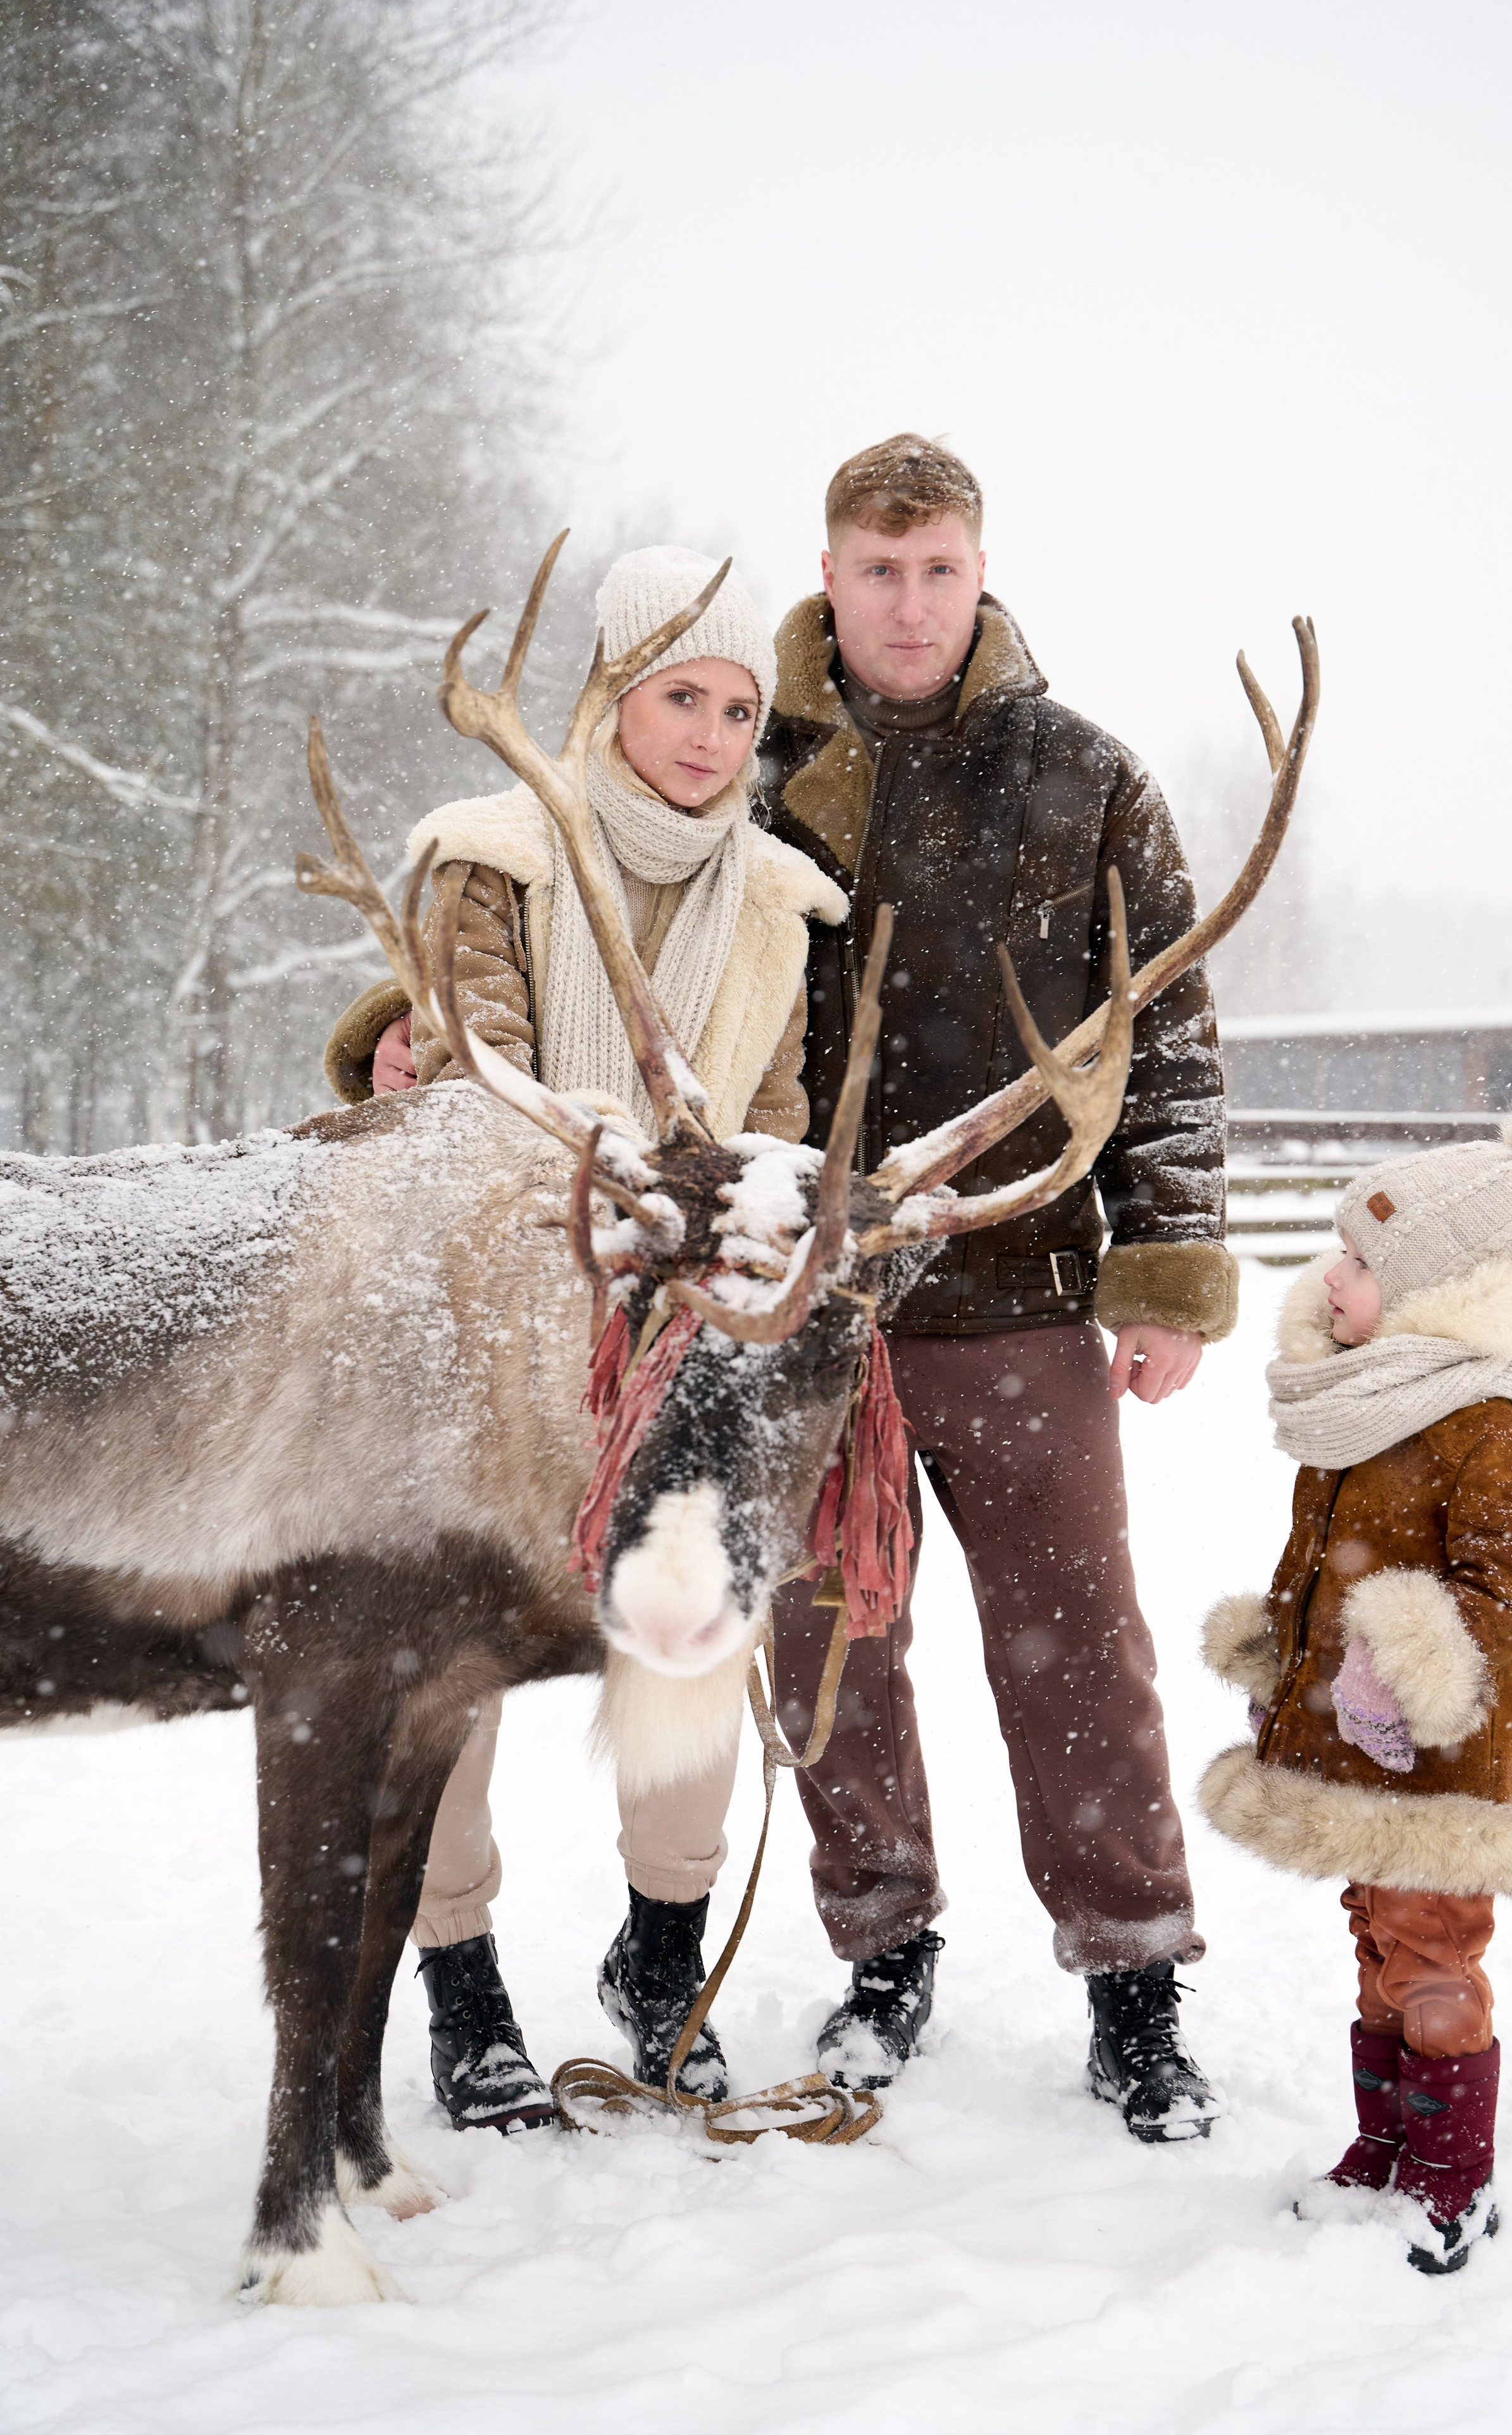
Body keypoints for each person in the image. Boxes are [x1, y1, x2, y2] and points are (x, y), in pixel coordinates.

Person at [323, 545, 847, 2128]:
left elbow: (773, 1128)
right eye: (679, 695)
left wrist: (737, 1239)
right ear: (614, 695)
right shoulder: (496, 856)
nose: (709, 734)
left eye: (740, 708)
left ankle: (660, 1954)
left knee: (691, 1622)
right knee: (447, 1655)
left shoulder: (777, 903)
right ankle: (462, 1981)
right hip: (480, 1321)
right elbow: (471, 1063)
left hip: (678, 1329)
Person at [753, 434, 1239, 2139]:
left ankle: (1134, 1978)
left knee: (1077, 1655)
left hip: (1022, 1296)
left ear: (980, 571)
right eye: (878, 570)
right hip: (809, 1313)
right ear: (831, 574)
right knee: (828, 1658)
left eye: (938, 567)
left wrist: (1166, 1262)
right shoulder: (750, 764)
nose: (909, 601)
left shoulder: (1079, 775)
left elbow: (1166, 1037)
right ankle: (882, 1954)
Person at [1199, 1091, 1512, 2270]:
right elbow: (1315, 1573)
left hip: (1444, 1766)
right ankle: (1382, 2148)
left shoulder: (1498, 1439)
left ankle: (1450, 2176)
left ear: (1439, 1294)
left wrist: (1407, 1660)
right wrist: (1281, 1654)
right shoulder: (1371, 1414)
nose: (1333, 1277)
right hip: (1351, 1751)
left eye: (1363, 1262)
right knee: (1379, 1946)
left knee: (1435, 1961)